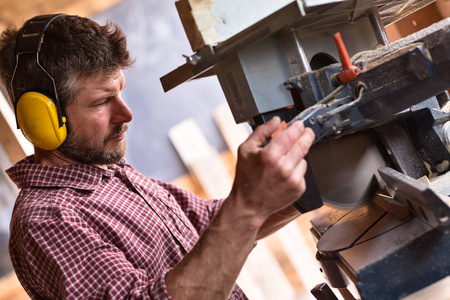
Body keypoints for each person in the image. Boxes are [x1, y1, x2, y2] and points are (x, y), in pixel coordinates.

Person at [0, 14, 315, 299]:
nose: (126, 113)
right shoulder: (49, 220)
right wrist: (247, 208)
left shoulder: (110, 174)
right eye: (102, 101)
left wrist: (309, 178)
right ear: (41, 118)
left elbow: (209, 227)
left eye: (120, 92)